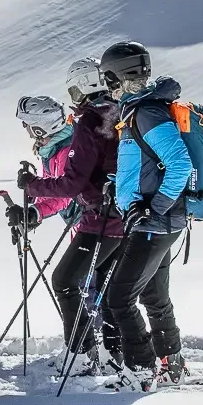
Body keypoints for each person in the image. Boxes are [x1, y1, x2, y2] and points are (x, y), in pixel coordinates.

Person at [13, 72, 124, 377]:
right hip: (103, 219)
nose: (26, 131)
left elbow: (65, 190)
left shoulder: (68, 145)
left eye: (27, 125)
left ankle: (85, 354)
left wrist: (34, 201)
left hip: (95, 221)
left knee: (73, 284)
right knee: (95, 288)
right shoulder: (61, 143)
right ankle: (103, 351)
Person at [99, 40, 191, 391]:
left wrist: (155, 207)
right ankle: (171, 364)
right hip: (153, 220)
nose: (107, 86)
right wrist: (117, 187)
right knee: (153, 296)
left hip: (156, 222)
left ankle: (139, 372)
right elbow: (144, 165)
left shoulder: (148, 113)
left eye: (109, 78)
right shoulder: (139, 111)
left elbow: (179, 163)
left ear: (120, 76)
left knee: (119, 297)